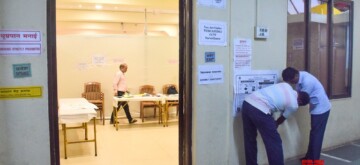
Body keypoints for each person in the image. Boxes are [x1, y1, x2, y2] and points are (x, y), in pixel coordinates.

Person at [242, 82, 310, 165]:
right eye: (300, 105)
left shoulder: (286, 85)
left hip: (247, 103)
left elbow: (275, 100)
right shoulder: (294, 105)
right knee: (274, 142)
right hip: (260, 109)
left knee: (250, 139)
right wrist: (274, 124)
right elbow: (281, 119)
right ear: (300, 101)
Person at [282, 67, 331, 161]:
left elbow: (300, 100)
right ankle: (309, 158)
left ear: (296, 75)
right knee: (314, 134)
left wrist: (284, 109)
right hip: (315, 107)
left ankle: (315, 161)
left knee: (317, 135)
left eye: (292, 81)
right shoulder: (300, 77)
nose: (292, 83)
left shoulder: (307, 82)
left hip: (321, 109)